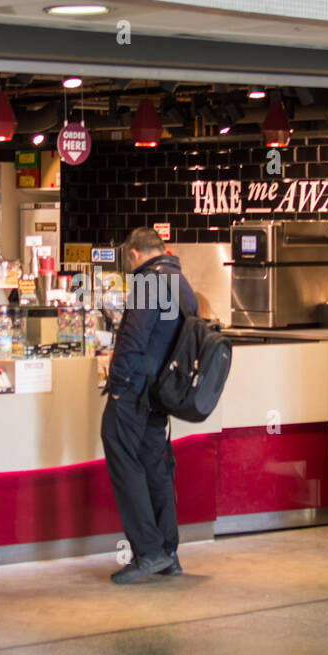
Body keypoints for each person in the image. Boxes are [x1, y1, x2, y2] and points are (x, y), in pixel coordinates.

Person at [101, 227, 197, 584]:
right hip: (161, 394)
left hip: (135, 391)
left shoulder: (149, 282)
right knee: (156, 467)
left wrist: (117, 386)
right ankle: (168, 551)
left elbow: (133, 339)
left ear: (134, 255)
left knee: (125, 463)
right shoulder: (181, 283)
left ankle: (147, 551)